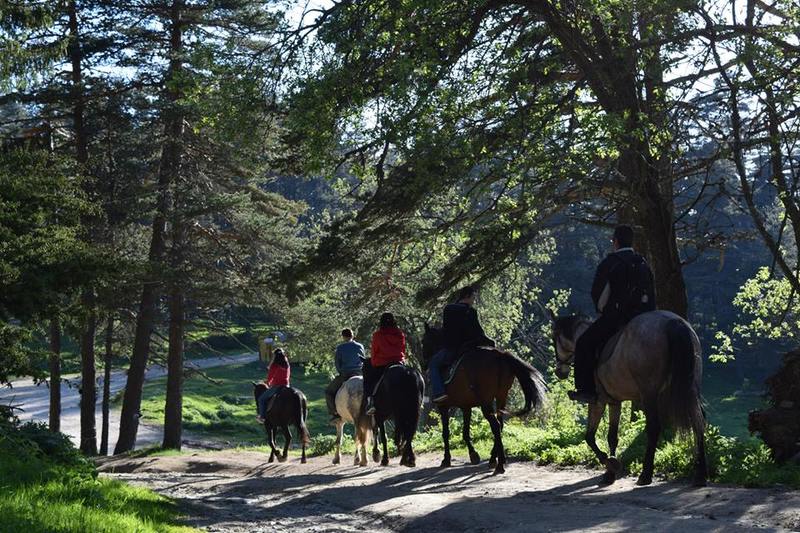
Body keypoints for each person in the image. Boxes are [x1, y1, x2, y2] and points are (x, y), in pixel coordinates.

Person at [570, 225, 656, 404]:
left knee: (584, 343)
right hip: (644, 317)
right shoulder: (642, 262)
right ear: (631, 241)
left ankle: (586, 390)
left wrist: (602, 312)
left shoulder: (610, 263)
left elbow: (599, 295)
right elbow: (651, 292)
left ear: (615, 242)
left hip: (616, 318)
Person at [429, 285, 495, 404]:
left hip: (453, 348)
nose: (473, 300)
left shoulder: (449, 309)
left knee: (433, 364)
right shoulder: (471, 311)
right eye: (473, 297)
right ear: (467, 296)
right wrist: (489, 342)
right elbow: (478, 332)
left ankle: (439, 393)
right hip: (471, 348)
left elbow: (447, 330)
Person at [365, 312, 406, 416]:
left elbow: (374, 351)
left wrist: (374, 363)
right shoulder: (400, 334)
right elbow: (403, 349)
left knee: (370, 380)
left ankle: (370, 402)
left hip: (382, 364)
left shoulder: (377, 335)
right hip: (398, 362)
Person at [325, 328, 365, 422]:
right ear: (352, 335)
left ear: (343, 337)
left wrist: (341, 372)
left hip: (346, 374)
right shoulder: (360, 346)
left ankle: (335, 414)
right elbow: (363, 359)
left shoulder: (340, 347)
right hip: (360, 373)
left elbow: (337, 363)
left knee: (329, 392)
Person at [256, 348, 291, 422]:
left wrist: (267, 383)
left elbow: (270, 377)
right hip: (287, 386)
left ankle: (262, 417)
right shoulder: (286, 364)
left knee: (261, 399)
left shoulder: (274, 365)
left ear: (275, 356)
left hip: (277, 386)